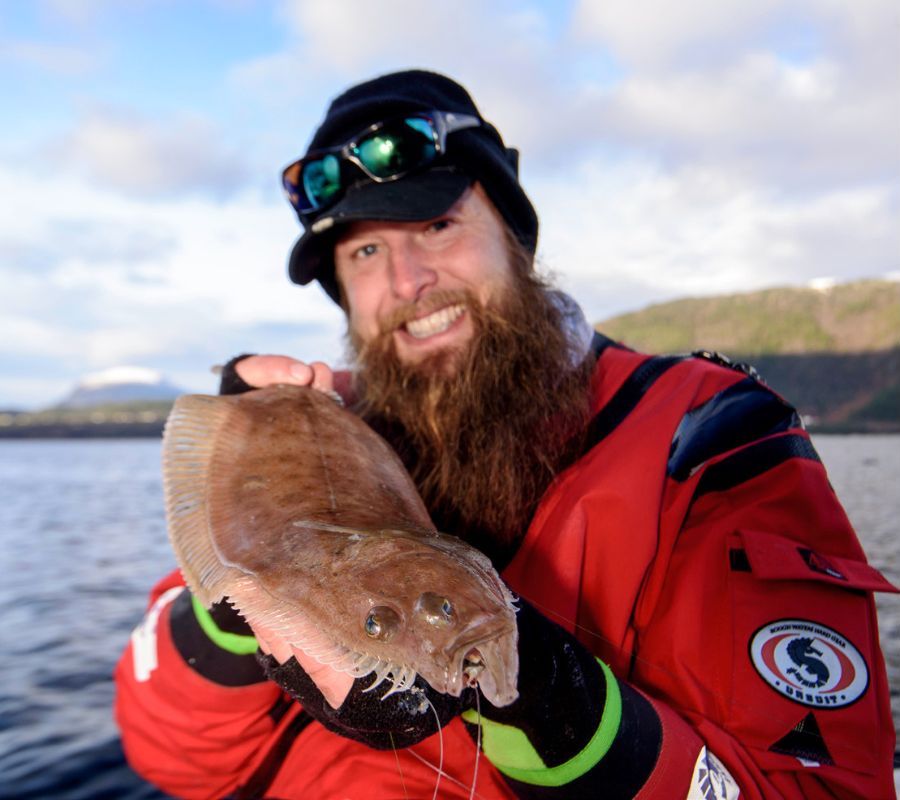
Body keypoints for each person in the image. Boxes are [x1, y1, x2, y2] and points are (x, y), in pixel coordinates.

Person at [114, 69, 897, 799]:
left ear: (513, 235)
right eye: (365, 250)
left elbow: (816, 785)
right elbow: (173, 753)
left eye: (439, 223)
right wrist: (244, 545)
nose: (407, 281)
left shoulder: (707, 436)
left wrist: (555, 707)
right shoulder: (323, 444)